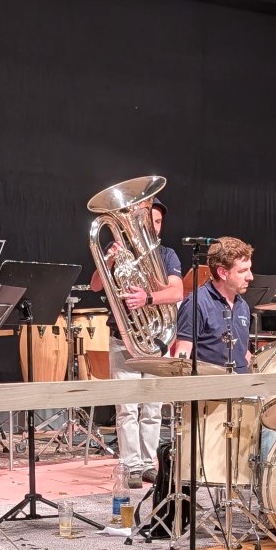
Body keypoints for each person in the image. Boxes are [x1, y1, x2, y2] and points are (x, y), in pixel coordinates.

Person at [89, 198, 183, 489]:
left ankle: (147, 463)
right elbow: (95, 285)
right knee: (127, 407)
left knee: (152, 408)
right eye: (147, 221)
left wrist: (149, 298)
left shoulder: (167, 255)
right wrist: (109, 260)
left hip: (155, 338)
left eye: (156, 222)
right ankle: (130, 465)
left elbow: (178, 291)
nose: (152, 227)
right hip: (124, 336)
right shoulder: (119, 251)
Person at [173, 236, 254, 374]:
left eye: (249, 269)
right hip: (211, 388)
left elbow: (241, 352)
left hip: (242, 388)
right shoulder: (196, 304)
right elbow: (183, 354)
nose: (250, 277)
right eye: (242, 271)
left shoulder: (242, 305)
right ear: (222, 272)